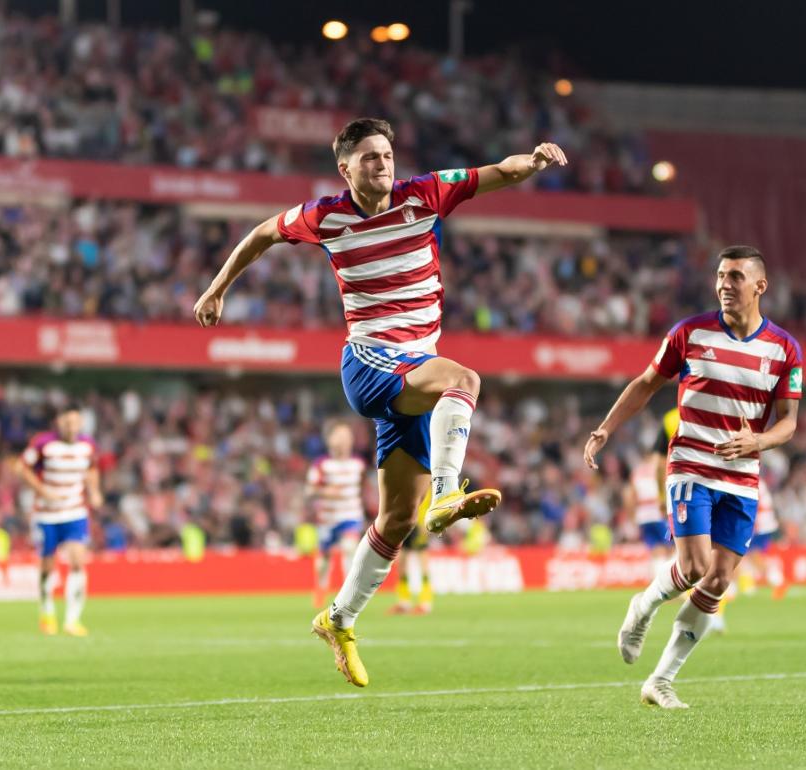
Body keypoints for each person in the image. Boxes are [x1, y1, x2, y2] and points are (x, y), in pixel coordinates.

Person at [194, 117, 567, 687]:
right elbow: (263, 233)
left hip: (413, 373)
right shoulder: (325, 216)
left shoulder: (425, 194)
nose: (383, 165)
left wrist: (534, 161)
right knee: (463, 379)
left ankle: (337, 619)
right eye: (370, 158)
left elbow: (499, 172)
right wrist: (218, 287)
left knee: (394, 520)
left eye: (387, 155)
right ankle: (446, 496)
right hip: (370, 363)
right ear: (345, 169)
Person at [584, 245, 802, 709]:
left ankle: (660, 681)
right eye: (721, 276)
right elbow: (646, 384)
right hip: (692, 463)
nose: (725, 284)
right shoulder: (690, 332)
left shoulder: (784, 349)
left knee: (719, 581)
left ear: (760, 286)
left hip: (743, 475)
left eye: (736, 277)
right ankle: (642, 605)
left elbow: (788, 422)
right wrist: (606, 428)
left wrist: (758, 443)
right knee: (696, 567)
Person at [16, 404, 103, 637]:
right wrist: (42, 491)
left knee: (77, 560)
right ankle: (47, 610)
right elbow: (22, 468)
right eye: (67, 421)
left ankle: (73, 620)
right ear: (59, 422)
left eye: (75, 421)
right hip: (47, 513)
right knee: (48, 565)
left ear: (81, 423)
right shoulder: (44, 443)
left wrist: (94, 491)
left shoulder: (88, 445)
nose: (71, 426)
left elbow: (93, 469)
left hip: (74, 511)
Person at [306, 422, 370, 609]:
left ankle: (347, 595)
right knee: (324, 559)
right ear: (330, 440)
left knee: (349, 548)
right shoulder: (322, 464)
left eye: (347, 436)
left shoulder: (358, 464)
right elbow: (310, 490)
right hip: (327, 519)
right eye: (340, 436)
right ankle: (321, 588)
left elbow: (363, 488)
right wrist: (326, 492)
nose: (344, 440)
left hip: (351, 515)